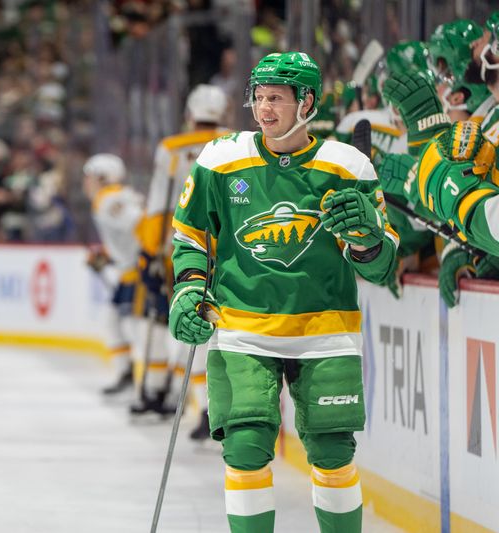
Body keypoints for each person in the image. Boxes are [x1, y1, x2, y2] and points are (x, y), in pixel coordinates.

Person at [169, 52, 398, 532]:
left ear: (307, 101)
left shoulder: (347, 164)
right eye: (258, 96)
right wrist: (188, 290)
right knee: (246, 448)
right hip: (243, 329)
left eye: (276, 98)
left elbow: (382, 265)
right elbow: (190, 236)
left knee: (333, 453)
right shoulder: (220, 158)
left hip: (326, 329)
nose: (263, 108)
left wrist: (366, 239)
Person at [134, 84, 228, 438]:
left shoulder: (172, 148)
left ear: (190, 114)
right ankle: (208, 406)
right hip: (229, 247)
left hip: (185, 247)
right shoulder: (236, 142)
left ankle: (177, 395)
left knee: (179, 320)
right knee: (217, 325)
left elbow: (160, 202)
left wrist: (149, 251)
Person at [82, 153, 143, 397]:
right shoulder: (120, 195)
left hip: (138, 272)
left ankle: (153, 384)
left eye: (89, 177)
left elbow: (140, 225)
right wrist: (108, 254)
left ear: (101, 177)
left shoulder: (108, 199)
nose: (86, 183)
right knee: (115, 322)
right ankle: (128, 373)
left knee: (138, 330)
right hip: (132, 269)